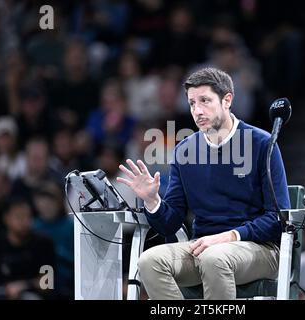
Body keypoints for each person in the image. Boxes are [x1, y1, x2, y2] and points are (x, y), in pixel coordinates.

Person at [117, 67, 290, 300]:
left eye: (205, 101)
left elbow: (277, 219)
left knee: (214, 258)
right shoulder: (184, 151)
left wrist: (228, 236)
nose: (197, 111)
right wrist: (153, 201)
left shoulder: (261, 143)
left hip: (259, 248)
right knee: (149, 262)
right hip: (203, 248)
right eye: (192, 103)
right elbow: (170, 223)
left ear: (227, 100)